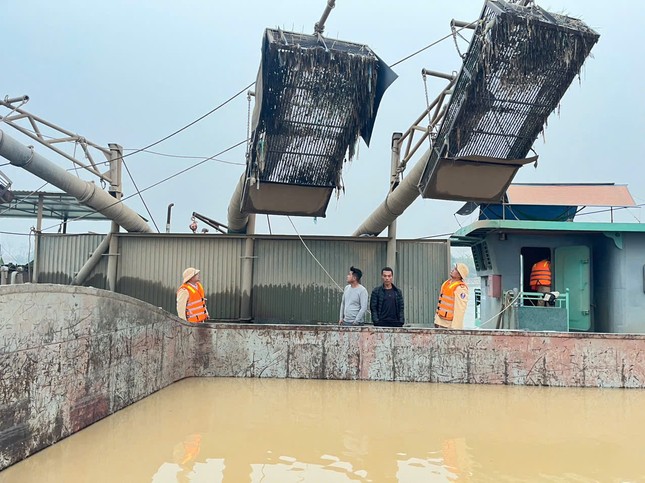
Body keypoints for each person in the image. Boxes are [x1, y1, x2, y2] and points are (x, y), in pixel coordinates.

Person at [434, 263, 469, 329]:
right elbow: (441, 303)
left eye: (455, 269)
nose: (452, 270)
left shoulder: (460, 288)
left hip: (449, 325)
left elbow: (460, 309)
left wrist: (455, 328)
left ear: (459, 275)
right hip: (440, 321)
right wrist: (437, 320)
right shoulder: (446, 283)